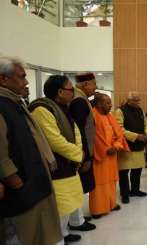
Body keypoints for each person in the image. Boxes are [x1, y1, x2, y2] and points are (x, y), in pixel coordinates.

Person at [0, 57, 62, 245]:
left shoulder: (15, 102)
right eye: (22, 77)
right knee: (22, 234)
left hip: (33, 181)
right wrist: (13, 178)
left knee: (40, 232)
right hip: (20, 189)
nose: (26, 82)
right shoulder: (3, 105)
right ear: (3, 79)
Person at [29, 75, 85, 244]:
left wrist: (78, 152)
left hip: (69, 162)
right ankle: (58, 237)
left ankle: (64, 232)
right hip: (57, 166)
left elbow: (75, 132)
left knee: (69, 203)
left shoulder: (62, 107)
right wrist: (78, 154)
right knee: (60, 206)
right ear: (60, 92)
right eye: (71, 90)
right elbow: (54, 141)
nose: (73, 93)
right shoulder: (42, 110)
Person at [90, 93, 129, 218]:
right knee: (99, 183)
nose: (111, 105)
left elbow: (119, 133)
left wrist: (116, 146)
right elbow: (94, 138)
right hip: (100, 156)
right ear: (99, 104)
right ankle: (98, 209)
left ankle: (111, 204)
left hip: (112, 155)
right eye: (107, 103)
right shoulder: (93, 116)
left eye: (110, 102)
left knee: (112, 181)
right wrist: (107, 149)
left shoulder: (109, 116)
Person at [68, 73, 97, 231]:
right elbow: (79, 130)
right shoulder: (78, 101)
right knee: (77, 186)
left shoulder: (79, 98)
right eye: (93, 84)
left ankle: (76, 217)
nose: (95, 87)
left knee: (79, 186)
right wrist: (85, 156)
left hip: (82, 151)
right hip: (82, 153)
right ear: (85, 85)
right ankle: (76, 221)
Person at [114, 91, 147, 204]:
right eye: (135, 100)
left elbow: (146, 124)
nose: (138, 102)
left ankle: (135, 190)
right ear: (129, 100)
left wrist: (146, 133)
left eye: (139, 100)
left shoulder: (140, 110)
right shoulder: (120, 111)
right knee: (124, 171)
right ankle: (125, 194)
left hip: (139, 144)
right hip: (126, 145)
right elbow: (119, 129)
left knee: (137, 169)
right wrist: (136, 136)